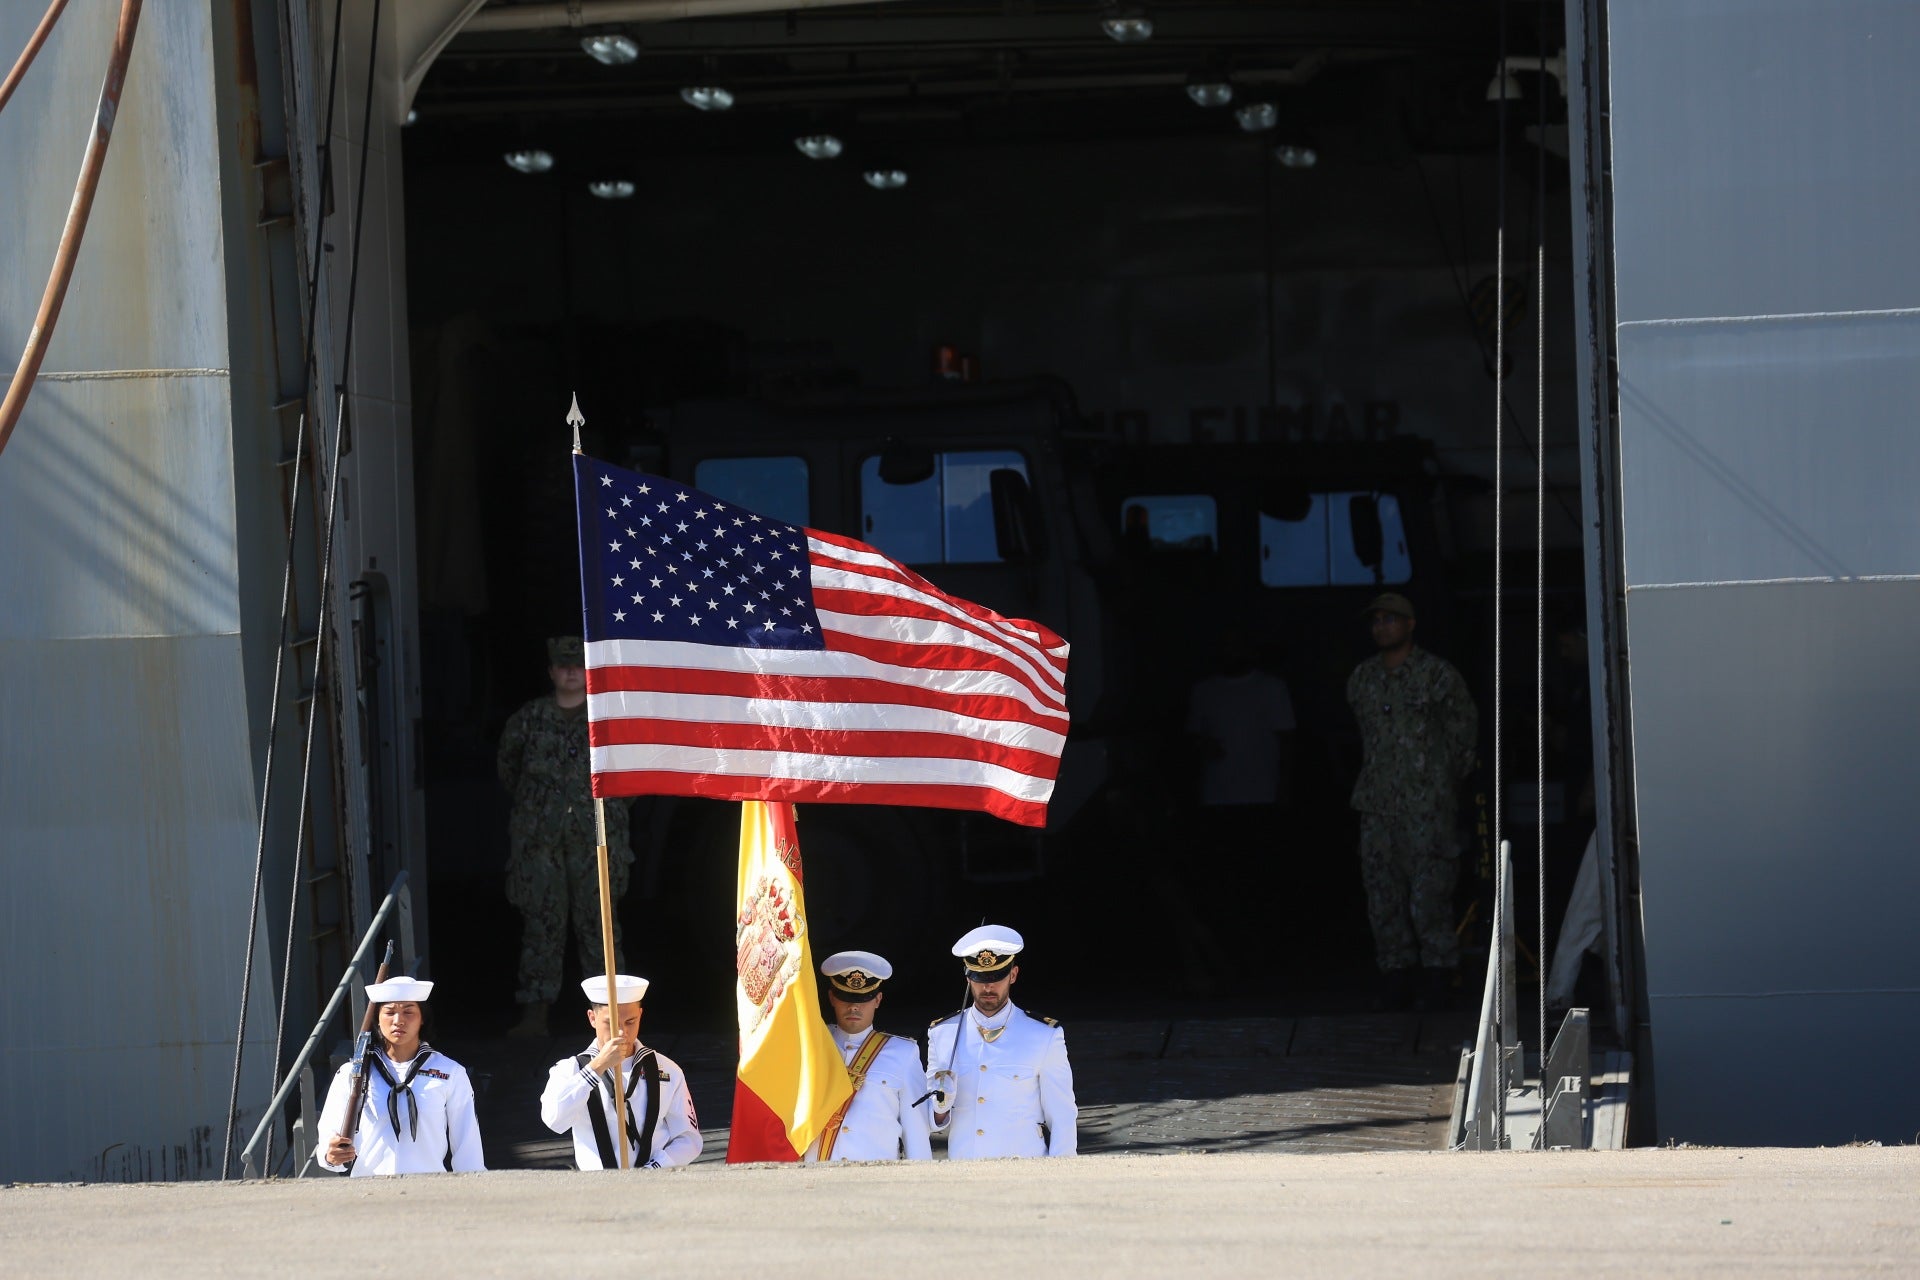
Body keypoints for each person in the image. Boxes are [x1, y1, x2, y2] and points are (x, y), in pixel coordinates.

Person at [1346, 593, 1479, 1009]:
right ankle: (1396, 975)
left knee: (1429, 894)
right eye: (1376, 620)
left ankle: (1439, 975)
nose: (1381, 627)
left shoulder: (1436, 676)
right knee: (1382, 893)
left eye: (1390, 619)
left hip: (1427, 808)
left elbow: (1464, 735)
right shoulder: (1363, 679)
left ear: (1410, 624)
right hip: (1377, 804)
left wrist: (1438, 785)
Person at [498, 635, 633, 1038]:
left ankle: (613, 1016)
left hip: (596, 840)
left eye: (578, 666)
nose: (571, 672)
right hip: (541, 845)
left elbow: (630, 778)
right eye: (564, 665)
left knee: (601, 927)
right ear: (552, 671)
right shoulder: (530, 719)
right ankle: (535, 1014)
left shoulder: (606, 719)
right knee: (542, 925)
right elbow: (508, 769)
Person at [925, 926, 1076, 1159]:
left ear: (1013, 975)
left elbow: (1062, 1114)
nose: (988, 987)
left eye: (997, 977)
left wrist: (1063, 1173)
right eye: (980, 978)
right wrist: (940, 1108)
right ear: (967, 978)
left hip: (1025, 1166)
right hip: (966, 1167)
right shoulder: (943, 1033)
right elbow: (930, 1120)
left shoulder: (1043, 1035)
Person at [314, 976, 486, 1176]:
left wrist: (475, 1190)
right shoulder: (352, 1073)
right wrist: (332, 1155)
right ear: (377, 1019)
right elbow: (329, 1138)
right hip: (368, 1193)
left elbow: (468, 1145)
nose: (398, 1020)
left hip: (431, 1192)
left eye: (408, 1011)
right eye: (389, 1012)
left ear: (422, 1018)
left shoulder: (450, 1072)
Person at [539, 974, 702, 1169]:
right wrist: (596, 1068)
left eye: (630, 1022)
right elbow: (554, 1120)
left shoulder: (666, 1069)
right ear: (592, 1018)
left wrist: (652, 1170)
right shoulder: (569, 1070)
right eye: (610, 1023)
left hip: (653, 1187)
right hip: (594, 1190)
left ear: (641, 1015)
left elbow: (688, 1140)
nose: (622, 1032)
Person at [804, 951, 932, 1162]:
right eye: (846, 998)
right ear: (832, 998)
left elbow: (916, 1131)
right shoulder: (811, 1044)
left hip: (876, 1182)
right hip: (817, 1178)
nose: (854, 1007)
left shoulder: (903, 1053)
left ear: (878, 1000)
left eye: (863, 999)